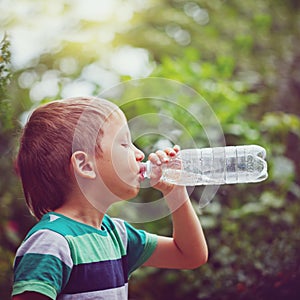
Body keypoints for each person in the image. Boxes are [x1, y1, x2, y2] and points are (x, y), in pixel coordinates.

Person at [12, 96, 208, 300]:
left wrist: (175, 192)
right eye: (124, 143)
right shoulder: (52, 242)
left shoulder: (118, 236)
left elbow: (190, 255)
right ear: (85, 165)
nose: (139, 154)